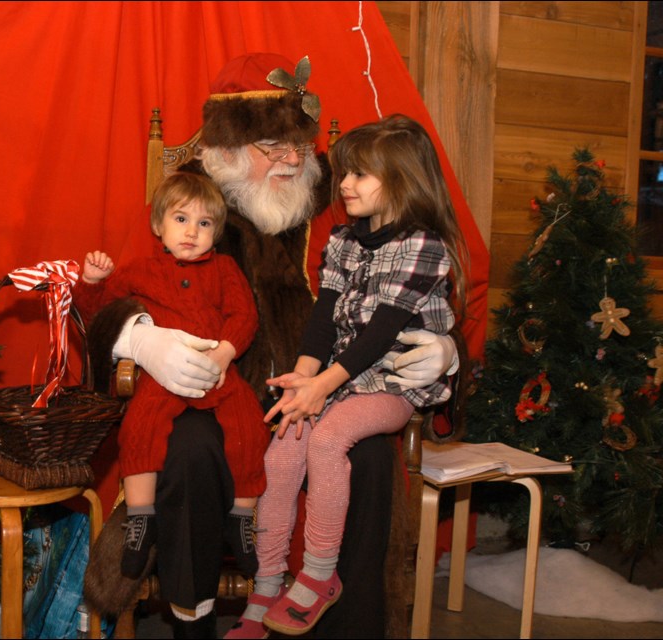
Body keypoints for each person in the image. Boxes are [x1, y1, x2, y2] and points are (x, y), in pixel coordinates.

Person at [87, 53, 459, 639]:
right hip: (212, 391)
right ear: (231, 150)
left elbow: (405, 291)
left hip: (333, 391)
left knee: (367, 455)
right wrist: (142, 338)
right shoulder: (189, 205)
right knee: (186, 448)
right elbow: (117, 293)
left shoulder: (337, 209)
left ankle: (348, 628)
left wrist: (446, 349)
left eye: (299, 146)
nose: (292, 161)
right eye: (272, 147)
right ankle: (194, 623)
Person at [227, 114, 468, 638]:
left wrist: (321, 387)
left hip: (393, 383)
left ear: (402, 179)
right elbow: (322, 319)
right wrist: (302, 380)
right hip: (339, 378)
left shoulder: (423, 246)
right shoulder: (343, 240)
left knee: (328, 439)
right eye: (344, 174)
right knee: (284, 445)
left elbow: (380, 335)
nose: (345, 186)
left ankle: (318, 576)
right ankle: (268, 585)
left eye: (360, 175)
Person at [74, 172, 269, 581]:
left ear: (216, 234)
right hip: (161, 377)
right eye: (181, 220)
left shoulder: (225, 269)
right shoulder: (137, 272)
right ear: (158, 226)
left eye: (204, 224)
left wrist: (224, 353)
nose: (191, 232)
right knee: (139, 427)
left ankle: (242, 518)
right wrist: (90, 283)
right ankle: (141, 519)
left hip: (216, 372)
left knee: (249, 428)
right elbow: (101, 317)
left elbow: (244, 314)